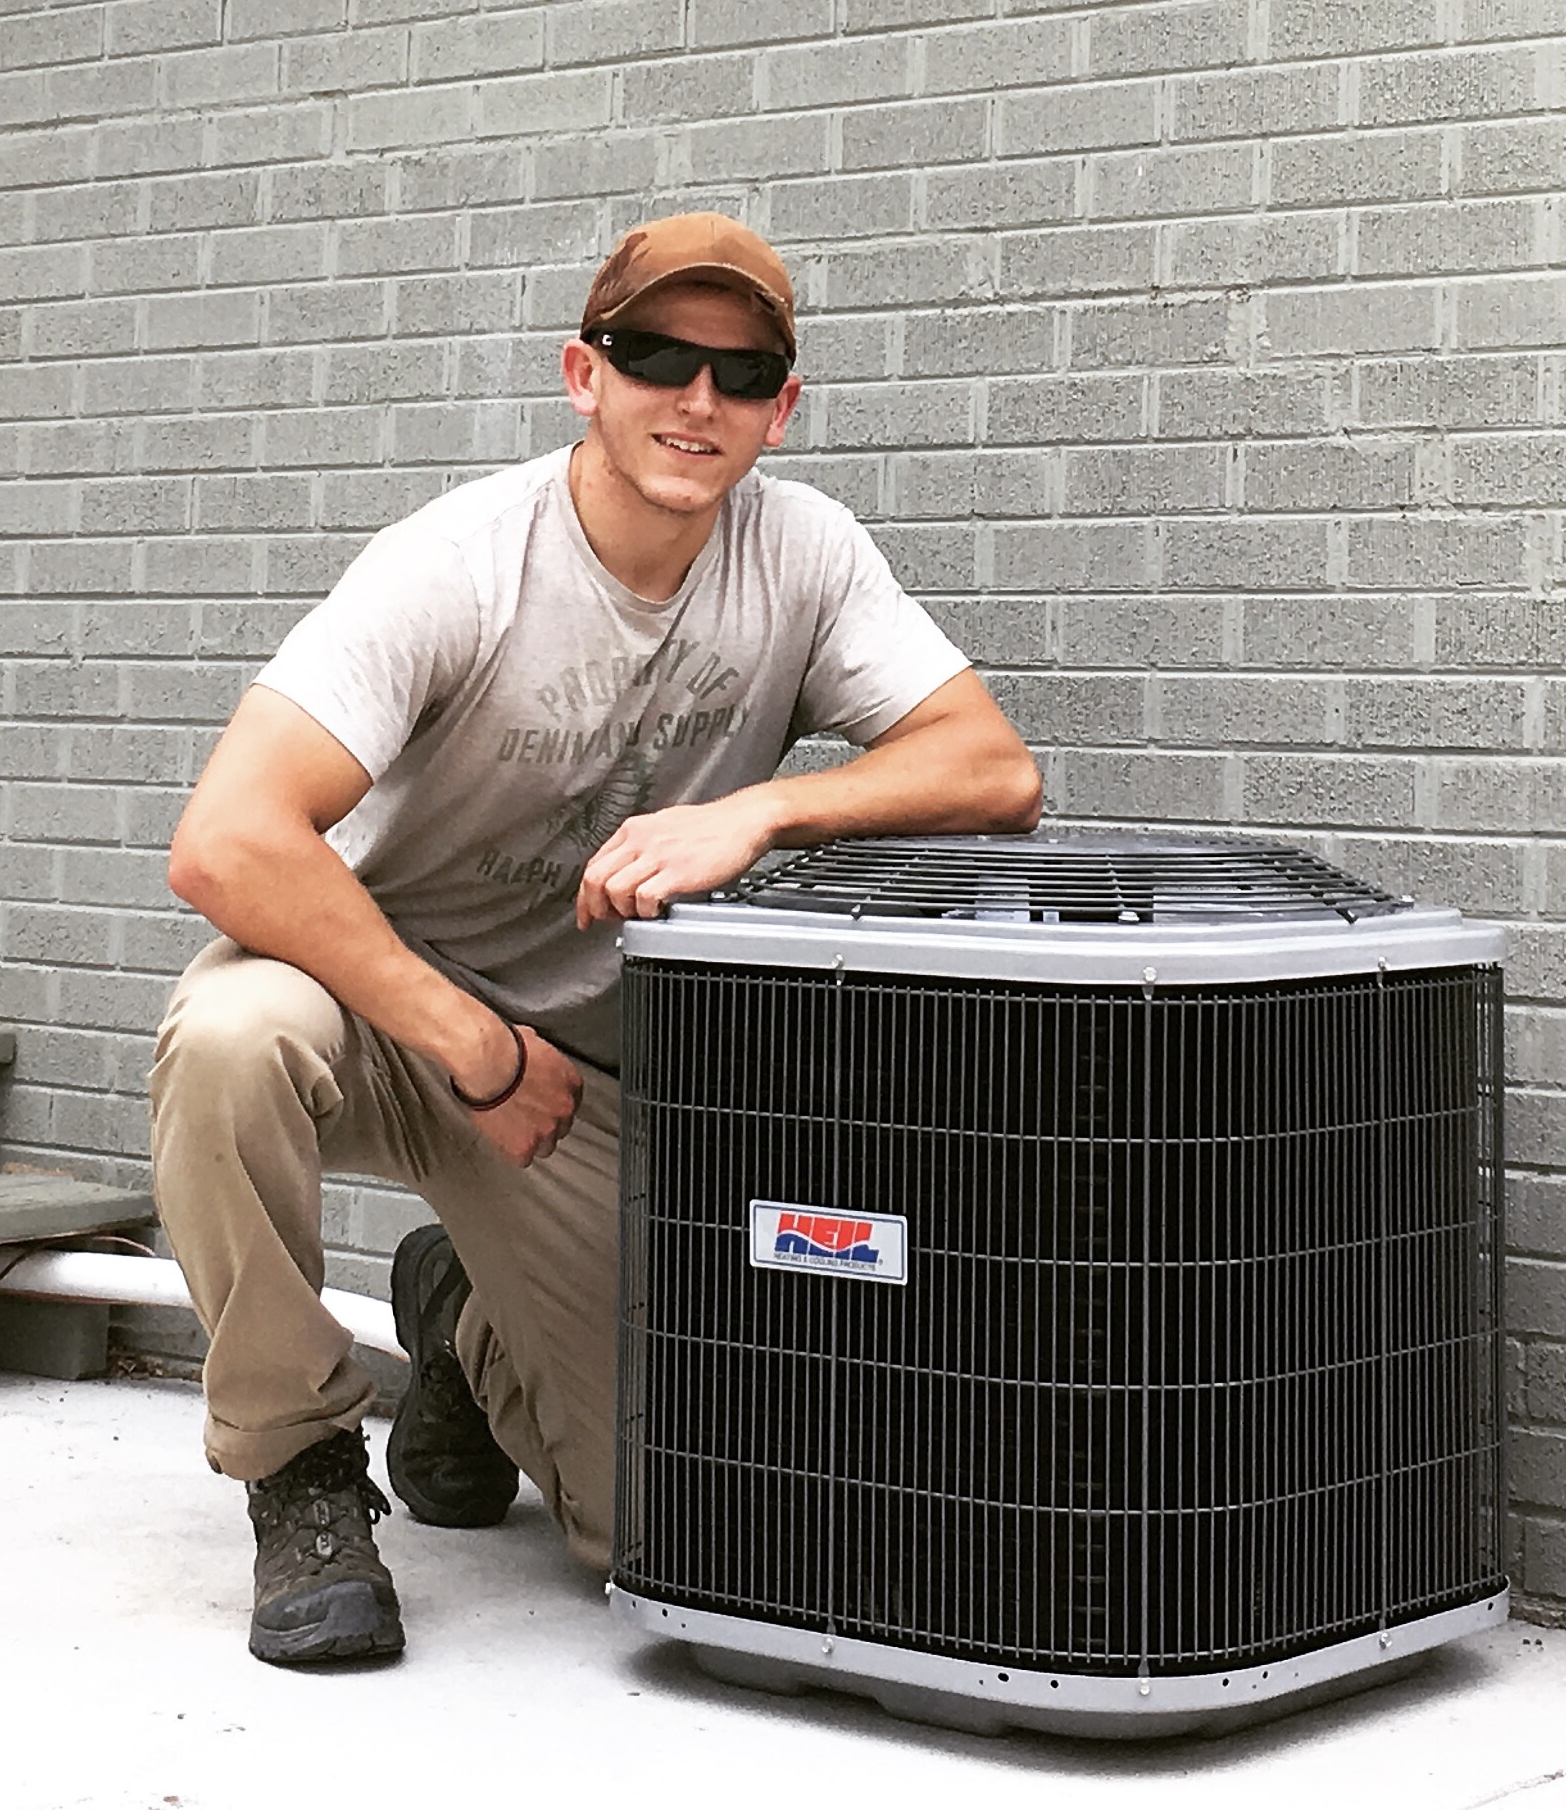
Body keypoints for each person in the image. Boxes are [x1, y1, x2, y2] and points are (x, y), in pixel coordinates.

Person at [150, 212, 1044, 1669]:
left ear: (782, 408)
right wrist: (468, 1041)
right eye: (656, 357)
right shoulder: (459, 562)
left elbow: (994, 767)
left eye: (741, 374)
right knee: (229, 1038)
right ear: (585, 372)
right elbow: (229, 837)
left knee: (656, 1534)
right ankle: (295, 1464)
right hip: (389, 1010)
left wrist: (763, 809)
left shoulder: (802, 553)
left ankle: (460, 1328)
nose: (699, 401)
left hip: (581, 1075)